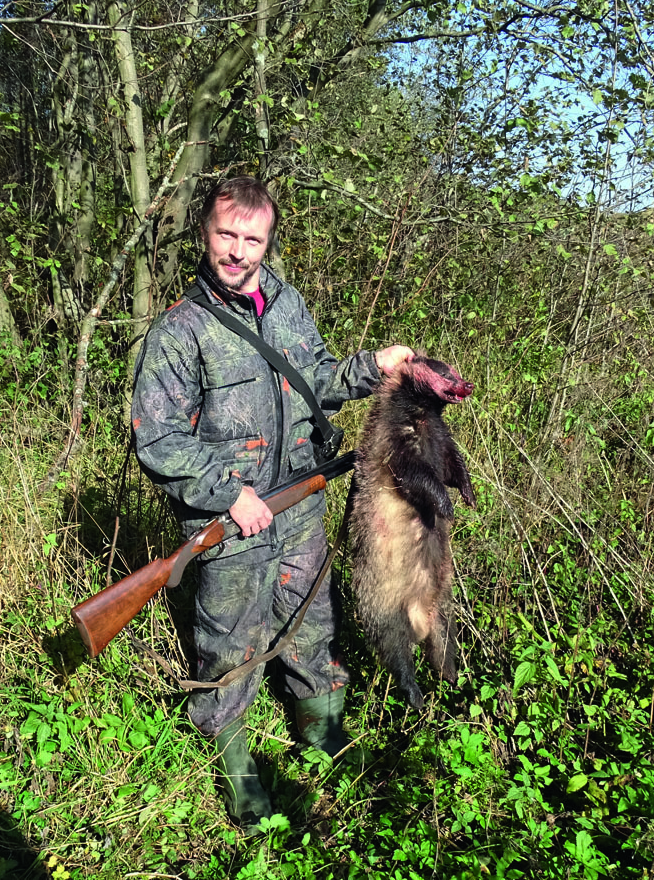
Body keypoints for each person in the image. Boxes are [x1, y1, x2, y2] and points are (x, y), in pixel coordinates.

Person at [129, 176, 412, 833]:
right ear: (205, 231)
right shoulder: (182, 329)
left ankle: (322, 729)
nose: (237, 250)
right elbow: (157, 437)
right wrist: (230, 493)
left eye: (251, 238)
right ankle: (238, 769)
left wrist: (375, 365)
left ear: (267, 240)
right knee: (230, 648)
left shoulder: (286, 303)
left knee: (312, 624)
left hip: (301, 508)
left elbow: (317, 378)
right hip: (230, 525)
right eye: (226, 234)